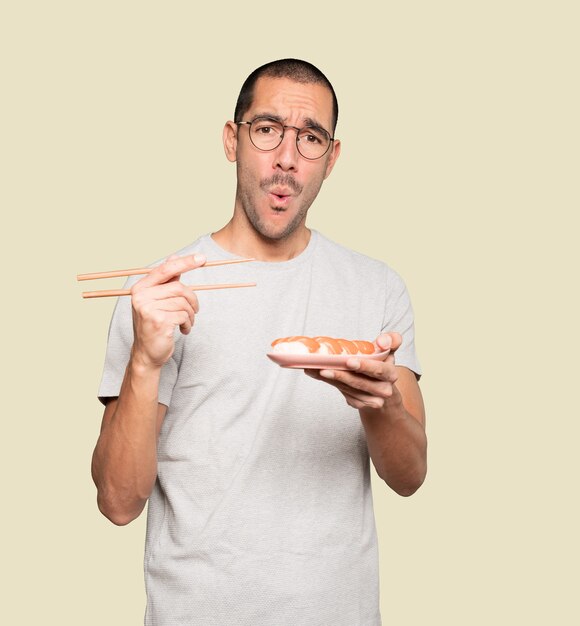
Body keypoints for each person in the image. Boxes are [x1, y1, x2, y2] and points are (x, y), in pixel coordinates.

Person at [92, 58, 427, 626]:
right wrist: (146, 362)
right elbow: (118, 503)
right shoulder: (160, 293)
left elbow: (410, 477)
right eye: (268, 129)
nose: (287, 159)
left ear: (332, 158)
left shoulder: (377, 288)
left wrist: (382, 403)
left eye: (311, 137)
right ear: (233, 139)